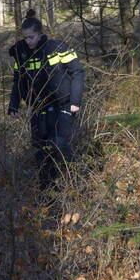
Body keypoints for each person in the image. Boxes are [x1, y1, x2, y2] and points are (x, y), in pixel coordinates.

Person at [7, 10, 85, 190]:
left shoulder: (57, 48)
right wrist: (14, 105)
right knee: (41, 149)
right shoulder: (22, 55)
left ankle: (77, 181)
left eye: (32, 37)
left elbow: (78, 72)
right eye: (25, 38)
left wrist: (75, 101)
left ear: (40, 33)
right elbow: (18, 81)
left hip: (63, 104)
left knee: (59, 143)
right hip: (38, 107)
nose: (28, 42)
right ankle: (48, 191)